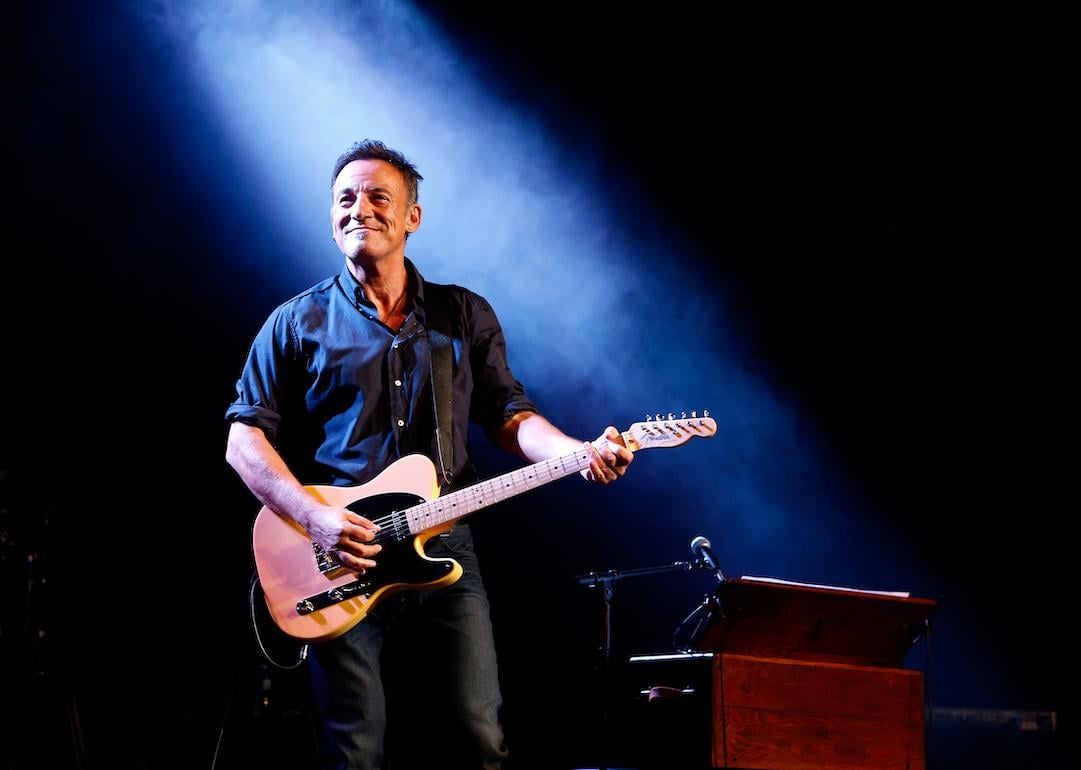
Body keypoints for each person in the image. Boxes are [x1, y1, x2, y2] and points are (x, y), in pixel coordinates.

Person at [224, 139, 633, 770]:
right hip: (339, 551)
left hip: (446, 546)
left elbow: (509, 416)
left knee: (479, 738)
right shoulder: (294, 323)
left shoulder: (463, 313)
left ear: (412, 217)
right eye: (345, 198)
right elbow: (243, 439)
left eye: (378, 196)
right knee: (354, 751)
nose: (359, 208)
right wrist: (314, 518)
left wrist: (578, 452)